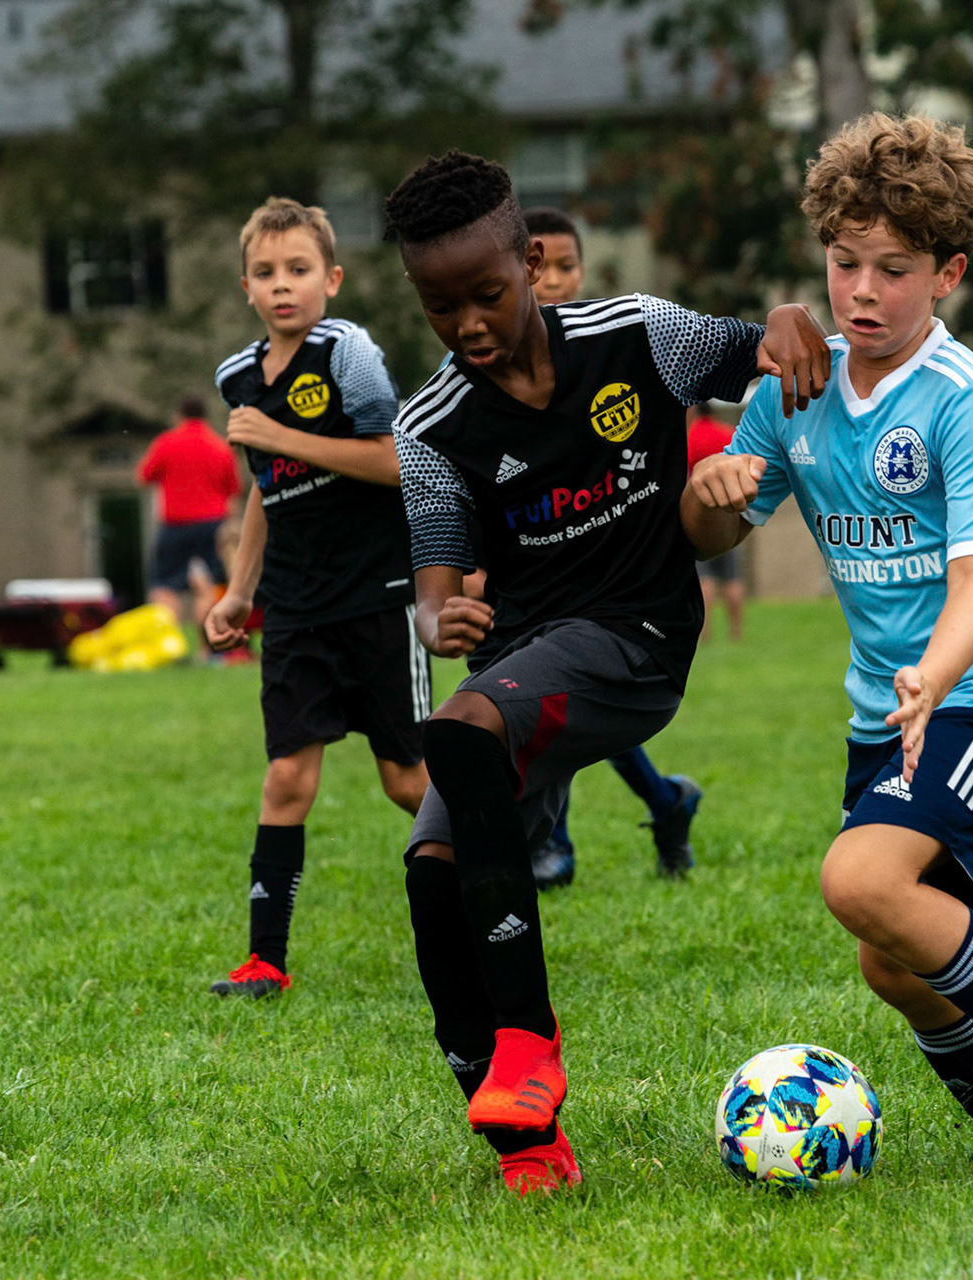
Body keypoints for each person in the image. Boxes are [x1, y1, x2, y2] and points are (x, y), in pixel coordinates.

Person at [685, 113, 973, 1189]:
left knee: (858, 874)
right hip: (889, 704)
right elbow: (715, 532)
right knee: (888, 953)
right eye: (845, 263)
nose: (861, 291)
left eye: (894, 269)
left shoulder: (965, 398)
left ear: (949, 273)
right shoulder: (789, 390)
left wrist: (938, 673)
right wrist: (706, 497)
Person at [382, 150, 819, 1194]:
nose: (469, 326)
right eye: (441, 309)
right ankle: (530, 1149)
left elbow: (766, 349)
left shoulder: (637, 335)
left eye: (487, 295)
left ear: (531, 265)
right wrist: (445, 614)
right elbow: (436, 576)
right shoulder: (429, 425)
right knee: (430, 872)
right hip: (517, 670)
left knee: (470, 730)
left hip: (640, 636)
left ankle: (529, 1040)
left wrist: (795, 314)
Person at [203, 197, 430, 999]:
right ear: (247, 287)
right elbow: (266, 493)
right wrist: (238, 594)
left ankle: (492, 891)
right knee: (286, 781)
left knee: (406, 782)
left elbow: (394, 462)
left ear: (330, 278)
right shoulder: (237, 377)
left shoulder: (350, 355)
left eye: (299, 270)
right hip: (296, 612)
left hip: (376, 597)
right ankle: (266, 961)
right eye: (266, 273)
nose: (283, 286)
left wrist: (279, 437)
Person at [519, 206, 704, 891]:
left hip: (611, 565)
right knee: (553, 702)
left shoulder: (611, 347)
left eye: (569, 266)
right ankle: (664, 802)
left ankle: (554, 847)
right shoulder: (494, 363)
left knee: (568, 701)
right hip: (536, 559)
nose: (557, 281)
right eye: (543, 267)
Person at [137, 395, 240, 637]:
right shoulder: (221, 446)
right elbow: (233, 492)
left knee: (164, 586)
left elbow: (143, 477)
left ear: (179, 415)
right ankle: (209, 646)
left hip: (175, 525)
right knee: (210, 587)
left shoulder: (166, 442)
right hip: (214, 525)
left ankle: (169, 645)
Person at [687, 403, 748, 641]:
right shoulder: (727, 433)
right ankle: (736, 631)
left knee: (704, 577)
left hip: (702, 516)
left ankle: (705, 631)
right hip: (730, 512)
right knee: (733, 576)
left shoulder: (691, 436)